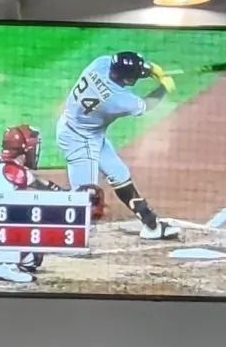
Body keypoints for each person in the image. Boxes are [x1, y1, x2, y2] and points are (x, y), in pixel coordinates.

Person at [55, 49, 181, 241]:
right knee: (85, 195)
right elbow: (146, 105)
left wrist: (150, 69)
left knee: (119, 174)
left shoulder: (101, 63)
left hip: (87, 131)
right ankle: (68, 239)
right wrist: (164, 87)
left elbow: (128, 68)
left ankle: (151, 225)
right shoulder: (117, 100)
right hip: (79, 139)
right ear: (129, 80)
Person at [0, 123, 63, 285]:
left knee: (32, 258)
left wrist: (66, 194)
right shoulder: (6, 173)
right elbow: (3, 213)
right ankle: (3, 265)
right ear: (26, 149)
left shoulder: (2, 165)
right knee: (27, 215)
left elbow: (36, 181)